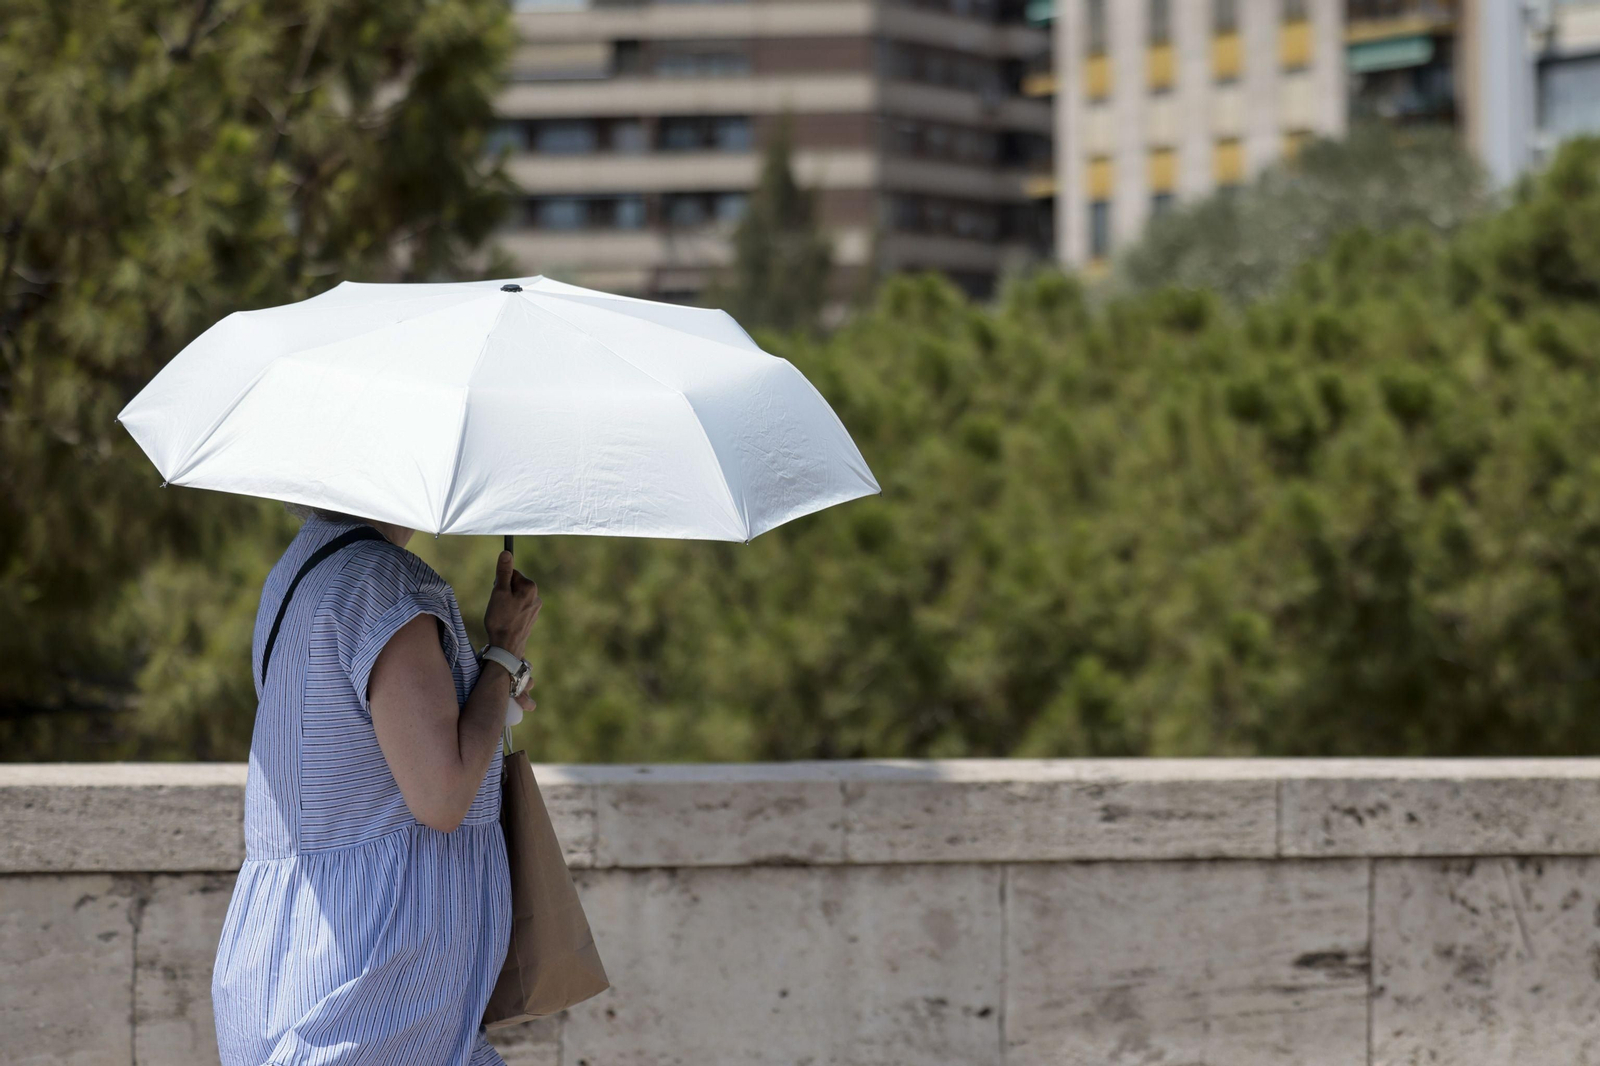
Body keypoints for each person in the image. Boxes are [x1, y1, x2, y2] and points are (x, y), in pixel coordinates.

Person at [212, 506, 542, 1066]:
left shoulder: (300, 572)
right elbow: (443, 796)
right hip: (377, 985)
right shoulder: (385, 583)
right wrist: (505, 648)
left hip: (290, 966)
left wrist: (488, 687)